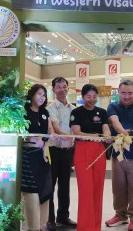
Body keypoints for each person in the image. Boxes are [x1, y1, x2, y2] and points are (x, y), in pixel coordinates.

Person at [105, 80, 133, 231]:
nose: (126, 96)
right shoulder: (112, 106)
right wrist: (124, 133)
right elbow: (115, 122)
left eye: (130, 93)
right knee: (118, 187)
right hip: (118, 155)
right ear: (118, 92)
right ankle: (120, 214)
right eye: (123, 93)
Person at [70, 84, 112, 231]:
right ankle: (84, 227)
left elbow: (105, 128)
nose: (92, 99)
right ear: (83, 97)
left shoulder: (102, 112)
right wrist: (92, 136)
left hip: (99, 151)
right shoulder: (76, 112)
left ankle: (95, 227)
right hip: (83, 151)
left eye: (95, 96)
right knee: (86, 191)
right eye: (88, 96)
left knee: (97, 190)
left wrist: (107, 135)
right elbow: (76, 132)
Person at [21, 84, 54, 231]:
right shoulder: (23, 111)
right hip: (27, 156)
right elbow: (19, 134)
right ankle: (31, 226)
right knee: (31, 194)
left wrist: (46, 139)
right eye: (39, 94)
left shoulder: (45, 113)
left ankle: (42, 224)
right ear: (32, 95)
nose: (42, 97)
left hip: (42, 156)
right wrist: (32, 139)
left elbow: (49, 133)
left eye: (44, 95)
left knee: (45, 191)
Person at [46, 77, 77, 230]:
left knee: (65, 186)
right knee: (50, 186)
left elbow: (76, 127)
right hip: (53, 150)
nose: (62, 90)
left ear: (68, 88)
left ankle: (63, 216)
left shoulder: (73, 108)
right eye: (58, 87)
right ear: (53, 90)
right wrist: (68, 136)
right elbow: (56, 128)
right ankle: (50, 219)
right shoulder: (50, 108)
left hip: (67, 152)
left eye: (64, 86)